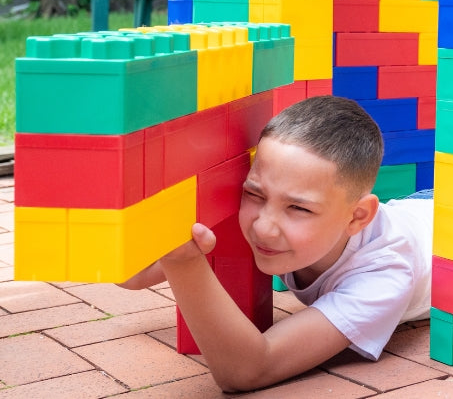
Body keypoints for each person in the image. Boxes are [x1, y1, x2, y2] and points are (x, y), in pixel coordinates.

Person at [121, 95, 433, 392]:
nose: (264, 228)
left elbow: (248, 370)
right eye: (255, 194)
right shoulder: (267, 221)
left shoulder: (384, 273)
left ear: (357, 217)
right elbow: (130, 276)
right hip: (412, 209)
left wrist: (185, 261)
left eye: (298, 208)